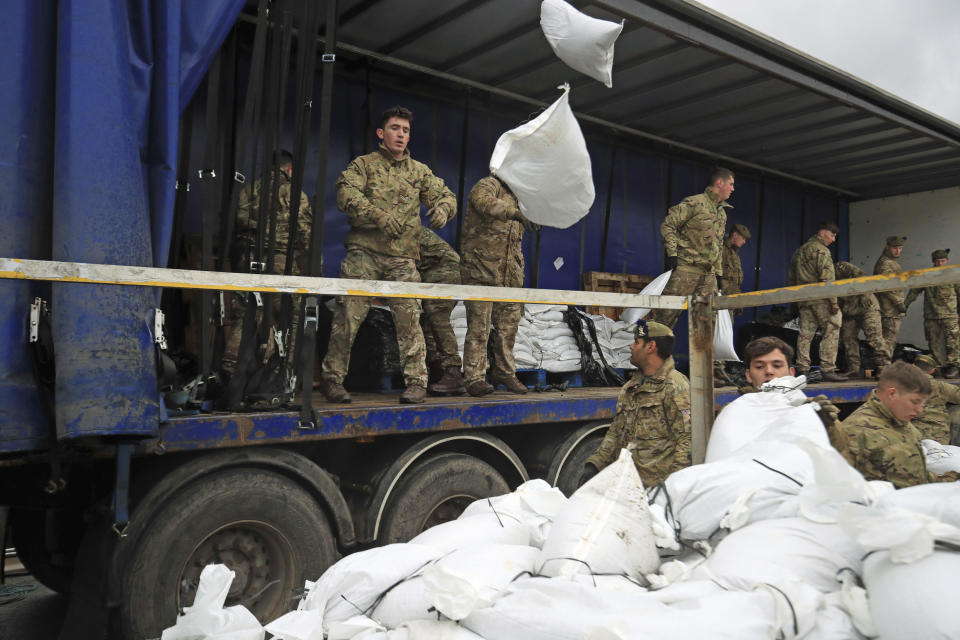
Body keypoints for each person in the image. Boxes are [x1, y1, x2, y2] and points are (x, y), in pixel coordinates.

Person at [320, 106, 457, 405]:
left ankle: (416, 383)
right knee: (347, 316)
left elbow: (446, 195)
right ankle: (332, 380)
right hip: (364, 253)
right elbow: (345, 194)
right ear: (382, 133)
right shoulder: (364, 165)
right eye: (395, 128)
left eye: (406, 131)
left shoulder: (419, 172)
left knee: (410, 317)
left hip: (402, 257)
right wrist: (377, 215)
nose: (401, 135)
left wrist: (443, 210)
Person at [222, 150, 312, 377]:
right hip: (281, 260)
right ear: (289, 169)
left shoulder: (249, 189)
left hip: (249, 259)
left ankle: (230, 366)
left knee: (249, 312)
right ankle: (284, 371)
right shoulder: (294, 193)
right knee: (292, 315)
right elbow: (305, 231)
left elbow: (239, 220)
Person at [581, 320, 691, 488]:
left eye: (636, 342)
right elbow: (616, 433)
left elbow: (687, 441)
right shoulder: (630, 387)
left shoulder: (675, 386)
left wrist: (672, 489)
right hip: (629, 489)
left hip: (657, 491)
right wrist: (595, 465)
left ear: (650, 347)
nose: (631, 346)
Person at [460, 174, 538, 397]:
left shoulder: (520, 198)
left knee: (509, 327)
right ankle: (474, 377)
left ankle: (504, 372)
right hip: (481, 270)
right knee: (479, 327)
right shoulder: (488, 185)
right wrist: (516, 214)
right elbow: (484, 202)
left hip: (509, 275)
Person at [830, 361, 959, 487]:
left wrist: (952, 479)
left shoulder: (901, 421)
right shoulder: (856, 432)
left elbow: (919, 477)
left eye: (923, 404)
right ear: (892, 393)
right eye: (914, 402)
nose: (920, 410)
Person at [650, 167, 734, 328]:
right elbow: (668, 225)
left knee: (707, 323)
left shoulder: (722, 213)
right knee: (664, 318)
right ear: (719, 182)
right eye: (730, 184)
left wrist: (719, 275)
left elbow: (719, 245)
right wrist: (672, 254)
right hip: (686, 270)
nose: (732, 188)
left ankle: (702, 353)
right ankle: (652, 350)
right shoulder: (695, 203)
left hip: (708, 276)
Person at [788, 221, 847, 382]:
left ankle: (802, 369)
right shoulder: (822, 251)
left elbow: (792, 278)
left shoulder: (800, 251)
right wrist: (834, 303)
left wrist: (795, 301)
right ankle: (828, 369)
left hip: (804, 299)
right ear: (823, 232)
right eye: (832, 234)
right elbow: (827, 279)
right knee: (832, 329)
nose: (834, 239)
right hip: (821, 299)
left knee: (805, 334)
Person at [738, 336, 840, 427]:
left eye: (777, 366)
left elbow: (841, 447)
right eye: (759, 367)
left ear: (791, 373)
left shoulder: (813, 409)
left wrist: (825, 428)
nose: (769, 371)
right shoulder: (735, 411)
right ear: (748, 375)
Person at [417, 227, 466, 396]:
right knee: (428, 322)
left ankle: (453, 372)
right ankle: (438, 370)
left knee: (437, 318)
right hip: (433, 270)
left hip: (444, 269)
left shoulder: (399, 227)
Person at [905, 249, 960, 378]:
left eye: (942, 261)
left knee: (953, 343)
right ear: (933, 262)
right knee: (933, 342)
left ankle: (954, 366)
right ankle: (938, 368)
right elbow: (914, 292)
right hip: (932, 316)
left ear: (947, 261)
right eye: (937, 261)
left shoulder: (954, 275)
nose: (940, 263)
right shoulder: (926, 276)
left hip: (950, 315)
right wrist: (904, 306)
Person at [835, 261, 892, 378]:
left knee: (874, 337)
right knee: (847, 338)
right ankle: (853, 369)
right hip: (849, 311)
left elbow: (862, 276)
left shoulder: (841, 267)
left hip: (867, 307)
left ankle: (884, 368)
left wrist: (865, 294)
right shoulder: (821, 277)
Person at [911, 354, 960, 444]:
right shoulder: (941, 387)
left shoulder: (901, 385)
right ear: (932, 371)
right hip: (938, 436)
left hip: (912, 435)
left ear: (913, 366)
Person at [873, 235, 908, 356]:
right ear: (887, 247)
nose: (898, 251)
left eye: (900, 248)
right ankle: (884, 368)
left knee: (889, 341)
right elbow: (885, 287)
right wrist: (898, 302)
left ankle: (884, 368)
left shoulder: (891, 262)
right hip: (889, 310)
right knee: (888, 341)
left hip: (891, 310)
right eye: (895, 248)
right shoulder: (885, 263)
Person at [720, 223, 751, 303]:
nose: (744, 242)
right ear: (735, 235)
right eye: (743, 238)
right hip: (721, 300)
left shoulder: (734, 254)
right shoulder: (722, 250)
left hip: (730, 299)